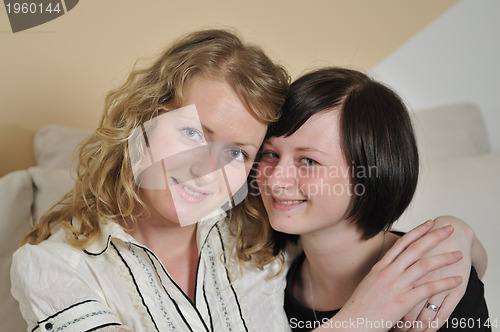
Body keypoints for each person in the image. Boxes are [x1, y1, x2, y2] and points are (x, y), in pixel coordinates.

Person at [10, 29, 477, 332]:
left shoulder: (253, 231)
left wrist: (458, 233)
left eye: (237, 152)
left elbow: (346, 229)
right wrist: (362, 319)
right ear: (144, 121)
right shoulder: (54, 269)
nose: (205, 169)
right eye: (193, 132)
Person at [255, 67, 490, 331]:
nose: (275, 180)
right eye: (270, 154)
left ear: (370, 174)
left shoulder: (435, 284)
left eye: (309, 161)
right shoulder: (257, 284)